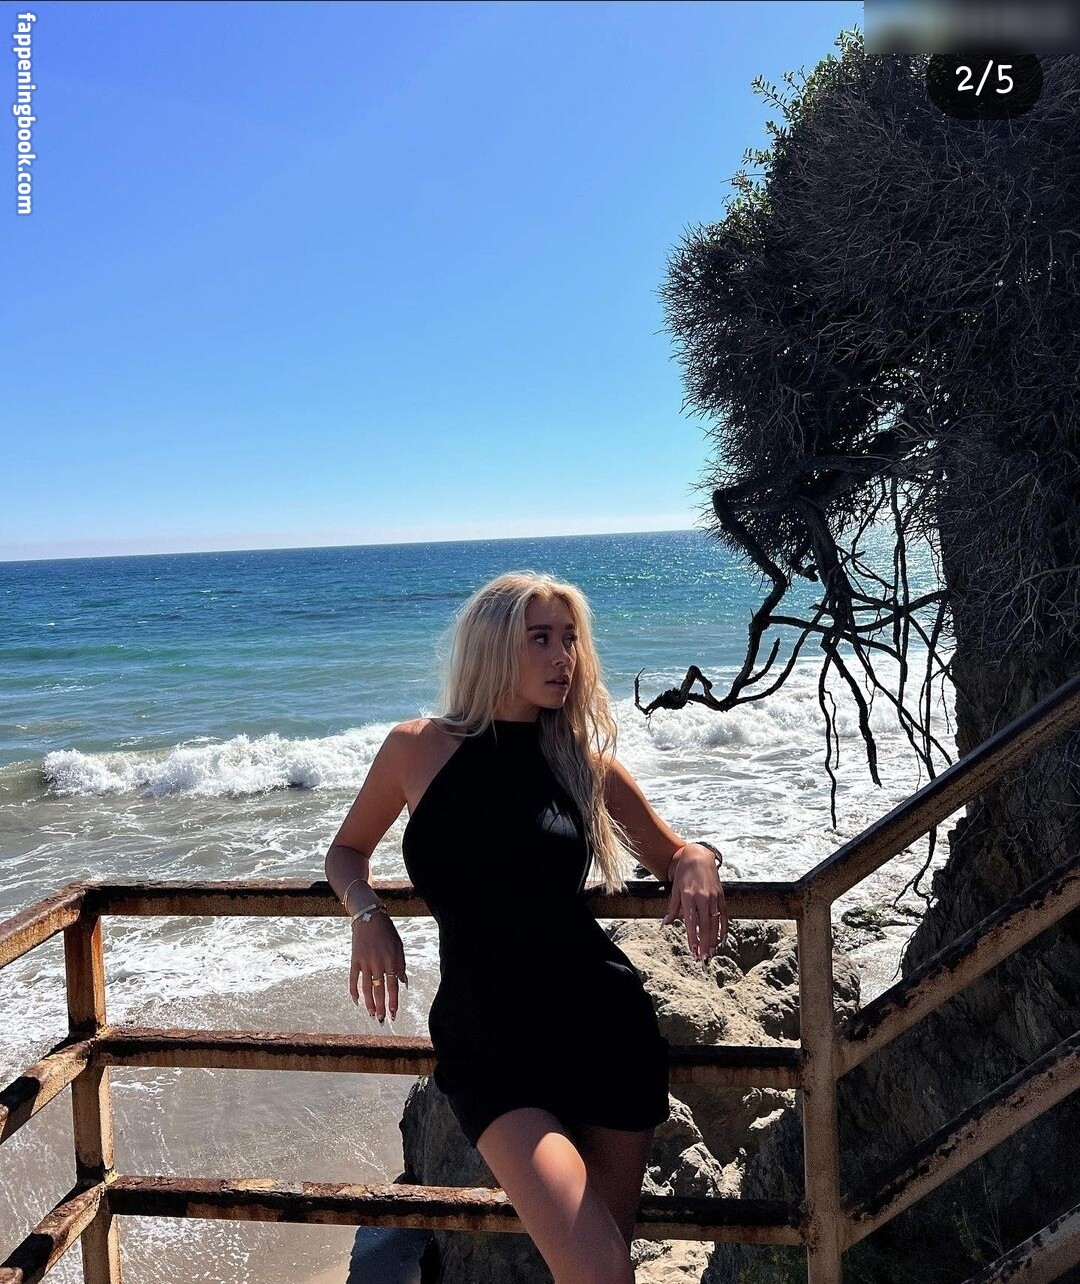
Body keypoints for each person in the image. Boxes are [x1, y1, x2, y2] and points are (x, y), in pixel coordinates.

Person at [324, 570, 727, 1284]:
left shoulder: (583, 765)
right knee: (600, 1270)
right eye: (540, 638)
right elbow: (346, 851)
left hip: (605, 1033)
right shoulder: (416, 749)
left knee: (599, 1268)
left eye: (569, 639)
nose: (562, 656)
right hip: (489, 1045)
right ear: (493, 646)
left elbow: (672, 854)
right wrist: (367, 912)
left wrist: (698, 858)